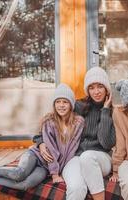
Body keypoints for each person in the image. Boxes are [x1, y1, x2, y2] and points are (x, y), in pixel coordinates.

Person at [0, 83, 84, 191]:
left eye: (65, 102)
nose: (61, 105)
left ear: (71, 104)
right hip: (36, 155)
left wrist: (62, 170)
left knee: (25, 185)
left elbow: (71, 149)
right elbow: (51, 149)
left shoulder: (78, 123)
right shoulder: (49, 121)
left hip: (45, 167)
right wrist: (55, 174)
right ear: (54, 104)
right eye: (58, 102)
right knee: (19, 174)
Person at [33, 67, 115, 200]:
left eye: (100, 86)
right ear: (87, 90)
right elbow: (50, 121)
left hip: (103, 158)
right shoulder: (79, 106)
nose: (96, 91)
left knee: (87, 156)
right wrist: (40, 142)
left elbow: (106, 143)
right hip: (76, 157)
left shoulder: (113, 111)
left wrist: (105, 110)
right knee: (77, 187)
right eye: (91, 87)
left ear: (106, 88)